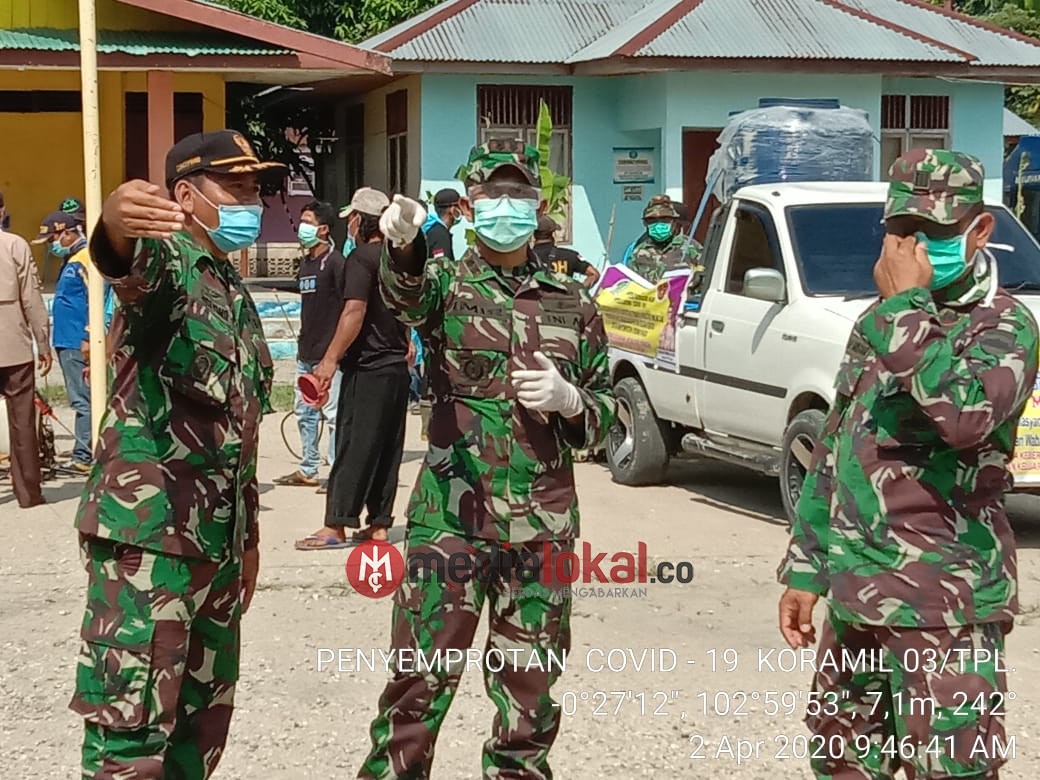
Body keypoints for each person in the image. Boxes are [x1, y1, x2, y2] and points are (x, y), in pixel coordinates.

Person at [356, 139, 616, 779]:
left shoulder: (574, 301)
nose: (507, 207)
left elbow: (611, 414)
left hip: (542, 527)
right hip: (451, 521)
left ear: (539, 204)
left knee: (529, 703)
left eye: (519, 196)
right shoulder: (446, 283)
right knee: (417, 689)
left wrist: (573, 400)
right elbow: (406, 295)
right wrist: (403, 245)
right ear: (470, 205)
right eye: (493, 196)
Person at [777, 149, 1040, 780]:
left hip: (944, 609)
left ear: (980, 232)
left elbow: (966, 417)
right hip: (857, 599)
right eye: (902, 231)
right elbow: (838, 449)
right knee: (840, 762)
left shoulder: (1003, 327)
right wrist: (806, 568)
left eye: (934, 234)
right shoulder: (875, 322)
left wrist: (903, 309)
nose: (912, 248)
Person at [69, 129, 278, 778]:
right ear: (184, 196)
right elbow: (126, 267)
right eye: (234, 186)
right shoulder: (170, 263)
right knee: (131, 743)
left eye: (255, 187)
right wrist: (113, 223)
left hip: (213, 549)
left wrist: (247, 539)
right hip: (150, 544)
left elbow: (237, 434)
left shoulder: (231, 292)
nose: (252, 199)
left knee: (199, 731)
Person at [295, 187, 410, 549]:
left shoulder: (361, 259)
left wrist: (328, 362)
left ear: (360, 220)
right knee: (387, 448)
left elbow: (354, 311)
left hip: (369, 365)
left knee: (353, 442)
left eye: (352, 220)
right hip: (397, 366)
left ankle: (336, 525)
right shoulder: (395, 258)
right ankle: (378, 525)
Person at [274, 200, 345, 489]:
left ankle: (336, 474)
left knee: (332, 415)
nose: (302, 227)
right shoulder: (306, 263)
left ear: (323, 229)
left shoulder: (336, 263)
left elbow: (348, 308)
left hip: (328, 356)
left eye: (307, 221)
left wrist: (336, 354)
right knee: (304, 413)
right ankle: (308, 468)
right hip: (305, 352)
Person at [32, 209, 97, 474]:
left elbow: (99, 298)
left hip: (76, 341)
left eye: (52, 239)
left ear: (68, 232)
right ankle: (86, 447)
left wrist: (88, 335)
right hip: (67, 339)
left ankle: (84, 455)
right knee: (80, 398)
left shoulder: (84, 258)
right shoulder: (72, 259)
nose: (51, 245)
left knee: (83, 400)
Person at [0, 192, 51, 507]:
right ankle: (28, 492)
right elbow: (31, 298)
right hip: (14, 345)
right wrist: (42, 342)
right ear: (2, 210)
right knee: (22, 421)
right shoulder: (15, 245)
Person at [626, 194, 700, 281]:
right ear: (645, 224)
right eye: (652, 220)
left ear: (674, 222)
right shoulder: (638, 252)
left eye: (665, 219)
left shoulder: (690, 247)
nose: (658, 224)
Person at [531, 214, 600, 288]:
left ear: (533, 235)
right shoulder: (570, 255)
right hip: (566, 298)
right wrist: (579, 291)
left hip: (536, 298)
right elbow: (594, 274)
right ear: (553, 234)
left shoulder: (526, 258)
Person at [422, 188, 462, 261]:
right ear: (453, 210)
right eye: (460, 207)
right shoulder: (441, 235)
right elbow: (442, 268)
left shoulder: (432, 230)